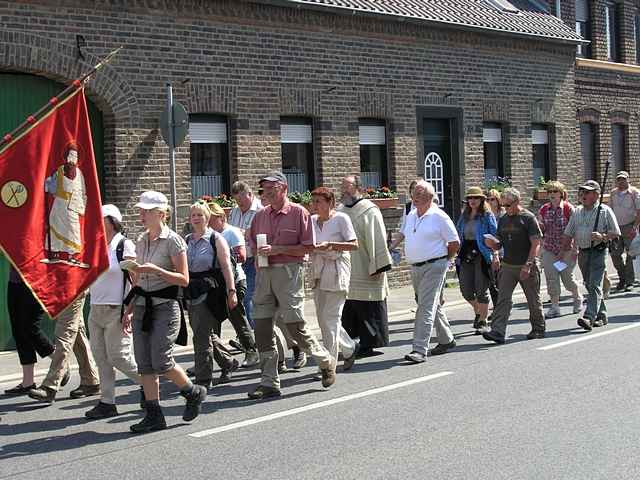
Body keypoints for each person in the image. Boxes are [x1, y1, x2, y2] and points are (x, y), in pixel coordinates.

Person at [123, 191, 207, 433]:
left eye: (146, 210)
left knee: (161, 360)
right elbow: (139, 280)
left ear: (161, 214)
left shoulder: (173, 241)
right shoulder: (141, 240)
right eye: (141, 210)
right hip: (141, 306)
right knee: (144, 364)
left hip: (165, 307)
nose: (141, 214)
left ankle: (193, 392)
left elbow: (183, 279)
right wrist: (128, 307)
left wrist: (156, 271)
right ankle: (154, 415)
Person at [247, 171, 335, 399]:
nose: (266, 191)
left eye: (271, 187)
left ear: (284, 188)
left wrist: (278, 249)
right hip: (264, 275)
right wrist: (258, 257)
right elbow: (253, 245)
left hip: (289, 273)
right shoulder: (260, 216)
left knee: (295, 326)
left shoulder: (299, 213)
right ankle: (269, 382)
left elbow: (308, 247)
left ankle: (325, 361)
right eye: (264, 188)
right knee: (262, 327)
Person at [85, 204, 142, 419]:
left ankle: (149, 384)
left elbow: (137, 279)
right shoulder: (96, 245)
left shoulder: (123, 246)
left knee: (119, 357)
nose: (98, 223)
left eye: (103, 219)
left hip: (116, 309)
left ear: (113, 222)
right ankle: (107, 402)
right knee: (101, 357)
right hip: (95, 308)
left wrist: (130, 309)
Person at [398, 181, 459, 363]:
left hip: (435, 265)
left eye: (419, 194)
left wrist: (444, 260)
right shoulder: (411, 215)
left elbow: (454, 242)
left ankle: (419, 349)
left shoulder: (439, 216)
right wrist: (390, 247)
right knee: (430, 303)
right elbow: (404, 234)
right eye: (414, 194)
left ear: (430, 198)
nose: (414, 197)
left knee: (425, 307)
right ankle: (447, 339)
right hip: (416, 266)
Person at [185, 201, 240, 387]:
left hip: (210, 290)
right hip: (191, 290)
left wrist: (232, 291)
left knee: (200, 336)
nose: (196, 218)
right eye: (193, 215)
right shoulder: (186, 240)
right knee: (204, 332)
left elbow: (226, 267)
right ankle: (227, 361)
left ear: (207, 217)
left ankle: (203, 379)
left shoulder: (216, 238)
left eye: (200, 214)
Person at [339, 175, 393, 357]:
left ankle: (369, 343)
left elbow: (378, 237)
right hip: (347, 267)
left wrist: (377, 264)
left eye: (348, 187)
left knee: (368, 306)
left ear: (359, 188)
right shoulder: (340, 211)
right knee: (350, 307)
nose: (344, 190)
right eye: (342, 187)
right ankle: (351, 341)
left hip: (365, 266)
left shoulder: (369, 210)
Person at [482, 188, 545, 344]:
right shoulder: (503, 219)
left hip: (526, 265)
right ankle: (497, 331)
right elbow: (499, 242)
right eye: (504, 206)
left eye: (508, 205)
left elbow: (536, 243)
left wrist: (528, 264)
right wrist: (492, 244)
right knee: (503, 298)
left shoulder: (528, 218)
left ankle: (538, 328)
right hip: (508, 265)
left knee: (532, 299)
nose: (506, 209)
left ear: (517, 202)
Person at [310, 187, 359, 372]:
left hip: (337, 270)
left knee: (331, 319)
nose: (314, 205)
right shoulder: (312, 221)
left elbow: (354, 244)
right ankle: (349, 347)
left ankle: (328, 364)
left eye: (318, 202)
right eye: (312, 201)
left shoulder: (341, 218)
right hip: (318, 271)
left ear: (330, 203)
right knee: (323, 320)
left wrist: (331, 244)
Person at [208, 201, 260, 368]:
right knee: (210, 322)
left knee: (237, 318)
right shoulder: (207, 234)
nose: (209, 222)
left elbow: (242, 256)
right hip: (215, 284)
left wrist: (223, 258)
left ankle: (252, 351)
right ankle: (209, 358)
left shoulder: (231, 232)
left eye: (212, 218)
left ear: (221, 217)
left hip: (235, 281)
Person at [563, 180, 621, 330]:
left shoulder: (604, 210)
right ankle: (601, 315)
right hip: (583, 252)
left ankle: (589, 317)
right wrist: (565, 251)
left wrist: (602, 236)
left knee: (595, 284)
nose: (583, 195)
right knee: (589, 284)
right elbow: (568, 233)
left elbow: (616, 233)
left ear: (596, 195)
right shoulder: (577, 211)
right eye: (582, 192)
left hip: (598, 251)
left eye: (587, 192)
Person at [28, 292, 100, 403]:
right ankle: (91, 380)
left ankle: (50, 385)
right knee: (77, 333)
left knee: (64, 334)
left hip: (73, 287)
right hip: (66, 288)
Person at [5, 266, 55, 395]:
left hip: (37, 280)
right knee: (18, 331)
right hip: (15, 281)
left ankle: (60, 363)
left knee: (30, 328)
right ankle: (28, 382)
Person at [536, 181, 582, 319]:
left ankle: (577, 297)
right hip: (550, 249)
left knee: (567, 278)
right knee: (551, 278)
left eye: (555, 192)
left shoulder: (569, 209)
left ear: (561, 194)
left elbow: (576, 230)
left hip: (565, 251)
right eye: (549, 192)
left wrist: (575, 249)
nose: (552, 195)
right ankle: (555, 307)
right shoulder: (544, 209)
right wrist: (539, 226)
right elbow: (541, 230)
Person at [455, 187, 497, 334]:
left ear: (481, 200)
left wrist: (495, 255)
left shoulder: (487, 215)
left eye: (476, 198)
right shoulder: (464, 216)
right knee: (466, 290)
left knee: (481, 290)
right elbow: (457, 234)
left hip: (482, 254)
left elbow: (495, 236)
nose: (472, 201)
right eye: (470, 198)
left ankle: (482, 321)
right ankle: (478, 310)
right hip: (465, 253)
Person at [43, 142, 87, 266]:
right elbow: (52, 188)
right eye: (71, 155)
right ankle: (55, 252)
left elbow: (83, 190)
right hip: (60, 204)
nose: (73, 158)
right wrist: (48, 185)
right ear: (67, 156)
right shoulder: (60, 171)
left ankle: (71, 255)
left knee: (73, 230)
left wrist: (81, 205)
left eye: (75, 155)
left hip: (73, 205)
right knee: (56, 227)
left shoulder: (79, 173)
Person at [229, 181, 263, 327]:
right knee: (240, 297)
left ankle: (256, 335)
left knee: (248, 298)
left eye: (242, 201)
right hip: (238, 261)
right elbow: (232, 234)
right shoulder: (234, 211)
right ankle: (247, 335)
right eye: (237, 201)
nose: (240, 204)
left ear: (250, 194)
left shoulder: (261, 211)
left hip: (254, 259)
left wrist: (242, 233)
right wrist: (242, 233)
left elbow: (256, 235)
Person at [609, 171, 640, 292]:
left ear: (628, 179)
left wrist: (635, 227)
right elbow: (609, 210)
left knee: (630, 254)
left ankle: (629, 281)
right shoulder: (613, 193)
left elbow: (639, 211)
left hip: (629, 226)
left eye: (623, 179)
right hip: (616, 227)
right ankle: (622, 278)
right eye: (619, 179)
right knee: (615, 254)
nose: (621, 181)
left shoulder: (634, 192)